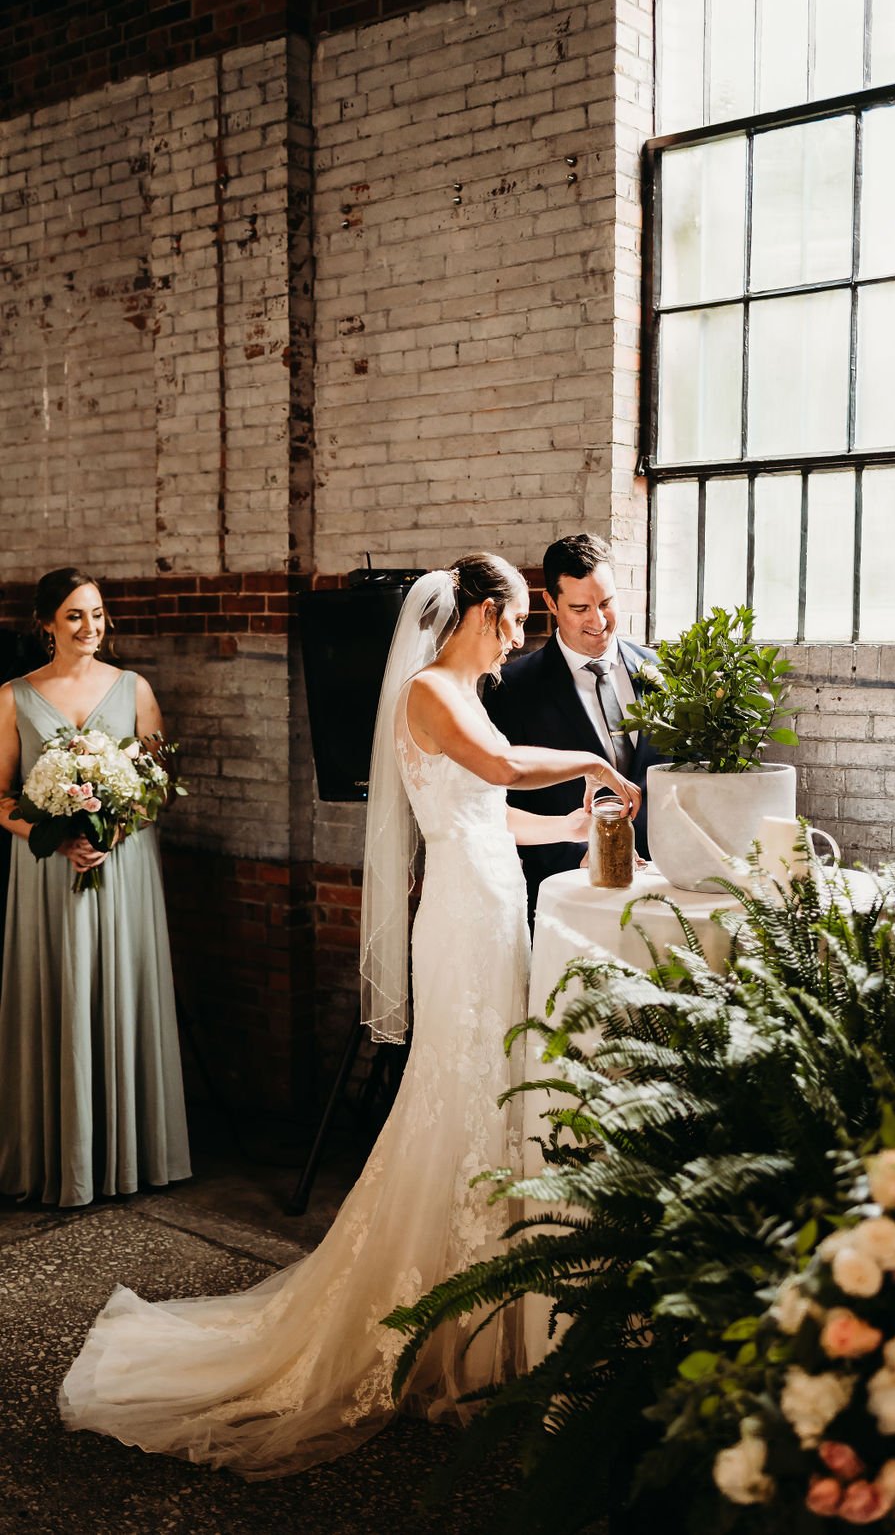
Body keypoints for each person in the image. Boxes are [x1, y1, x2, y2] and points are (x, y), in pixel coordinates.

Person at [59, 553, 640, 1478]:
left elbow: (490, 812)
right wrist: (589, 760)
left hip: (493, 902)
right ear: (480, 611)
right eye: (519, 616)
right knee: (461, 1088)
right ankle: (443, 1309)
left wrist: (573, 823)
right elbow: (497, 766)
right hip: (462, 918)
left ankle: (485, 1291)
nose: (523, 634)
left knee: (492, 1091)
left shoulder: (466, 688)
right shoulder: (428, 692)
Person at [0, 568, 191, 1208]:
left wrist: (111, 831)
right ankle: (60, 1156)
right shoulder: (13, 697)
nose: (91, 627)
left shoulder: (134, 688)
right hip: (48, 869)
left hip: (123, 863)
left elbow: (158, 781)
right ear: (46, 624)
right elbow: (1, 796)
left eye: (98, 614)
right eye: (76, 616)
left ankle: (129, 1154)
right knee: (58, 992)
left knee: (120, 988)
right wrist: (57, 835)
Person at [484, 533, 664, 917]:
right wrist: (586, 854)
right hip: (567, 892)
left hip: (663, 887)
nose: (598, 621)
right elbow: (499, 802)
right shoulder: (512, 688)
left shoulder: (660, 671)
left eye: (606, 602)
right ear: (551, 602)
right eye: (581, 607)